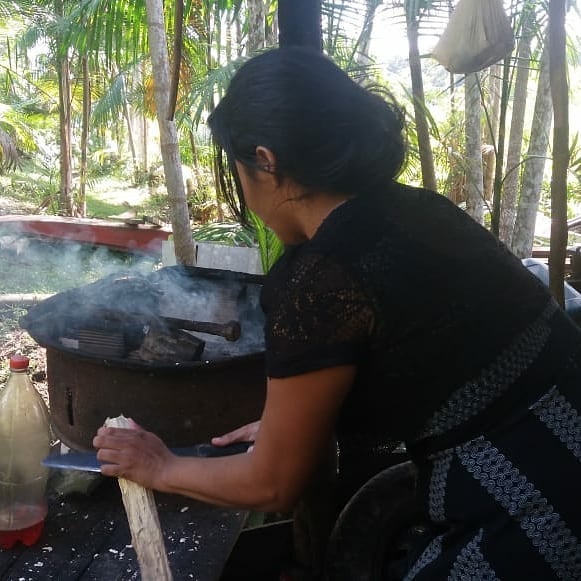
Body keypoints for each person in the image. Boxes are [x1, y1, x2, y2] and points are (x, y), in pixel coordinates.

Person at [94, 47, 581, 580]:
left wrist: (159, 465)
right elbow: (444, 357)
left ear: (265, 160)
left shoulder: (323, 278)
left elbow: (273, 485)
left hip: (538, 506)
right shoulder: (417, 209)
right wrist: (289, 423)